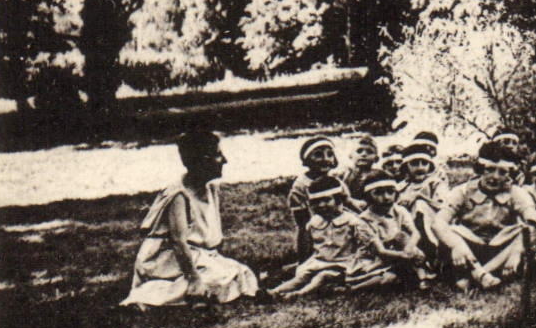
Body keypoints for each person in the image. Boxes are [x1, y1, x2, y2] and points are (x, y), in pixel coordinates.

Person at [122, 131, 260, 308]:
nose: (225, 160)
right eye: (218, 155)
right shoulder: (178, 195)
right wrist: (194, 278)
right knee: (217, 278)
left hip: (197, 255)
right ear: (202, 161)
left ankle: (196, 294)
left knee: (241, 273)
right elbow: (178, 242)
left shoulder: (210, 189)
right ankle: (150, 295)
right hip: (168, 259)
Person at [434, 142, 536, 290]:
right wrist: (456, 245)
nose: (495, 177)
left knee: (524, 229)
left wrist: (516, 252)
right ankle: (480, 274)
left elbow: (533, 222)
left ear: (511, 174)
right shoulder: (463, 191)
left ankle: (476, 276)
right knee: (451, 230)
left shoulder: (516, 192)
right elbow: (438, 222)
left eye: (502, 172)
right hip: (469, 249)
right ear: (481, 169)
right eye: (490, 170)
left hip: (501, 251)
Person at [270, 178, 364, 298]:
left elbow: (362, 247)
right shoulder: (315, 222)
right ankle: (275, 292)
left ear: (338, 200)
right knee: (302, 277)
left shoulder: (352, 221)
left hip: (344, 263)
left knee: (322, 276)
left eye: (326, 201)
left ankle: (299, 294)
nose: (321, 206)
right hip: (320, 261)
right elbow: (311, 247)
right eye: (315, 202)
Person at [347, 175, 429, 290]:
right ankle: (354, 287)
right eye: (378, 193)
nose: (386, 197)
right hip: (375, 258)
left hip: (398, 252)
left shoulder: (399, 210)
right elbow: (380, 251)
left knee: (403, 237)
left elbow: (415, 233)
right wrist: (403, 255)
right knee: (387, 279)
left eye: (390, 192)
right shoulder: (363, 221)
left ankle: (422, 279)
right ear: (368, 196)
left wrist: (410, 248)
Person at [286, 136, 340, 266]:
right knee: (306, 230)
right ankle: (304, 262)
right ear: (306, 160)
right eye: (318, 155)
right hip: (315, 225)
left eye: (330, 154)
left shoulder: (335, 180)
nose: (326, 159)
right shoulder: (301, 185)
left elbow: (347, 200)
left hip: (337, 224)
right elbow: (302, 222)